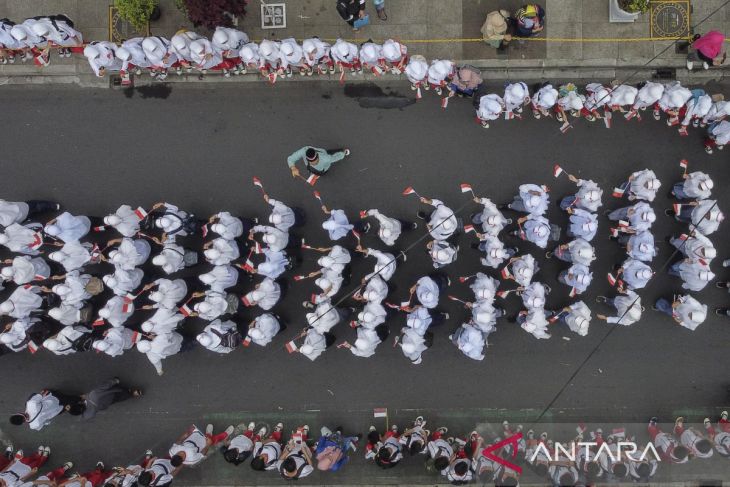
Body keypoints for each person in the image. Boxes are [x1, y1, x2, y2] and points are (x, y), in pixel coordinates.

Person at [170, 424, 234, 467]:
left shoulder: (172, 451)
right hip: (202, 444)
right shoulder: (192, 459)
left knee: (208, 436)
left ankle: (209, 433)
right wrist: (208, 444)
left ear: (174, 455)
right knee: (214, 439)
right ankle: (225, 434)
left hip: (192, 437)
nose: (182, 452)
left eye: (179, 453)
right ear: (183, 460)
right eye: (183, 455)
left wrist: (187, 433)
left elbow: (178, 441)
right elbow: (202, 454)